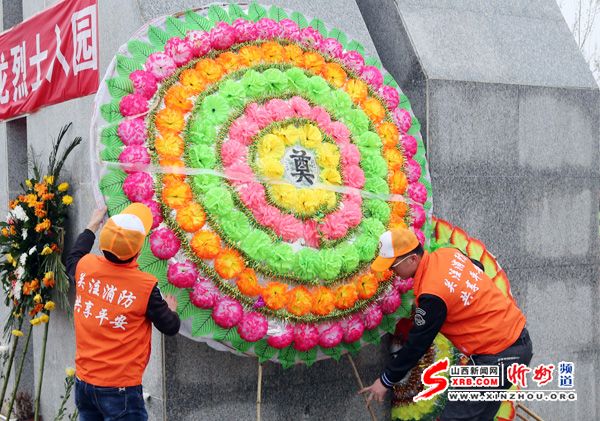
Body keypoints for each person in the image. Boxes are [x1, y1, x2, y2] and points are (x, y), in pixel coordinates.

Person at [359, 228, 532, 421]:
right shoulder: (447, 254)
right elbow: (477, 267)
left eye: (393, 266)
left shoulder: (432, 293)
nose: (393, 273)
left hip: (497, 354)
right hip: (516, 345)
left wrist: (385, 380)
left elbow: (417, 344)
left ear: (412, 259)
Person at [66, 205, 181, 421]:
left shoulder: (85, 266)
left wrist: (92, 224)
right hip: (120, 390)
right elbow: (170, 326)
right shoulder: (144, 287)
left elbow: (74, 256)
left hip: (84, 382)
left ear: (102, 244)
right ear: (138, 251)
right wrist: (171, 310)